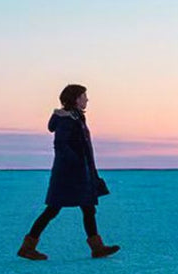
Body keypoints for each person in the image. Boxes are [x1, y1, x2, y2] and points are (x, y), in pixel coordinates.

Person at [17, 84, 120, 260]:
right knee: (52, 210)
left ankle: (97, 248)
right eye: (84, 96)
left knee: (88, 209)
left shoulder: (76, 117)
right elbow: (61, 145)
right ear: (75, 99)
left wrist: (89, 171)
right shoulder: (66, 120)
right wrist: (77, 163)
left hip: (80, 174)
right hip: (68, 176)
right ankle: (27, 247)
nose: (87, 99)